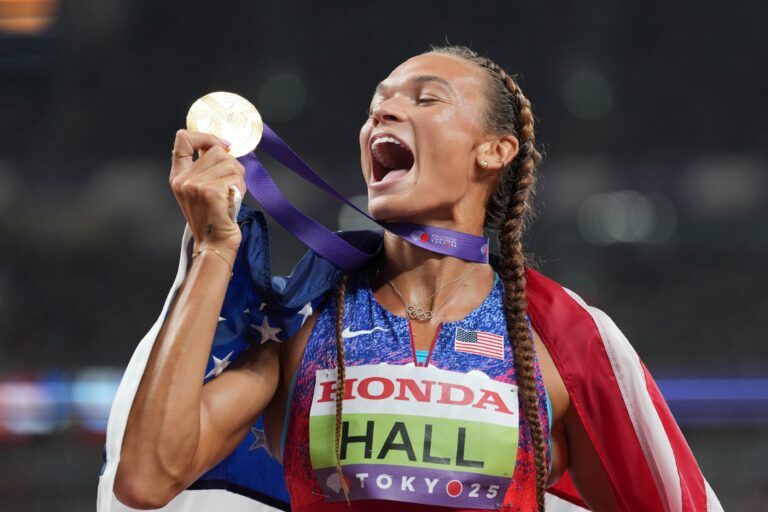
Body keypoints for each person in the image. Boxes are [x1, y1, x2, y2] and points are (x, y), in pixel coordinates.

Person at [110, 46, 720, 512]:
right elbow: (146, 478)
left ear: (494, 151)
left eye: (425, 99)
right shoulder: (304, 321)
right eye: (376, 106)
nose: (385, 112)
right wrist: (215, 250)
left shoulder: (562, 342)